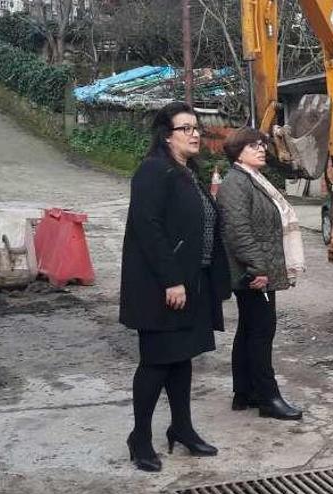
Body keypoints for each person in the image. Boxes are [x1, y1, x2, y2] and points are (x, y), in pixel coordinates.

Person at [119, 102, 230, 471]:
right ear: (167, 135)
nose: (195, 133)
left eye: (197, 127)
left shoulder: (187, 173)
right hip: (162, 288)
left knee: (182, 361)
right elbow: (148, 230)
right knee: (156, 363)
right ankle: (140, 438)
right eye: (187, 128)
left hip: (191, 284)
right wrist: (172, 280)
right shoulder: (153, 171)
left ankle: (181, 428)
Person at [217, 127, 306, 421]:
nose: (261, 149)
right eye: (253, 145)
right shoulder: (236, 183)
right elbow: (238, 230)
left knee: (249, 330)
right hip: (254, 274)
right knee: (261, 332)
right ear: (237, 151)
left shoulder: (251, 179)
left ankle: (245, 392)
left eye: (262, 144)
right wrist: (258, 268)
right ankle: (268, 398)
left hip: (257, 271)